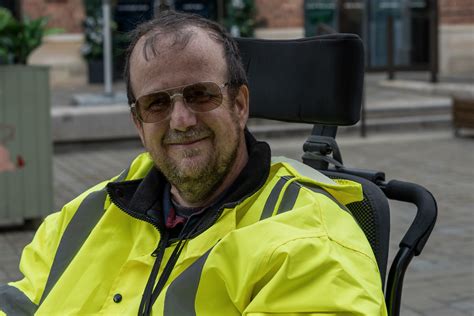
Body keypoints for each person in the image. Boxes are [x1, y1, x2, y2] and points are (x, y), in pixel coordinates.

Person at [0, 10, 387, 316]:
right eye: (156, 103)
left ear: (239, 104)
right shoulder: (82, 218)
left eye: (201, 95)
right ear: (138, 123)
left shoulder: (312, 241)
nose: (181, 120)